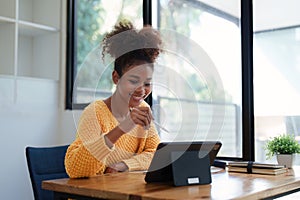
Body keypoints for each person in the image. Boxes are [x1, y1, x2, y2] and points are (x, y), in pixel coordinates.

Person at [65, 20, 162, 178]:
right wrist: (123, 127)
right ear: (116, 78)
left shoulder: (143, 109)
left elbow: (155, 153)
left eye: (147, 83)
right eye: (133, 81)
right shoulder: (95, 113)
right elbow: (76, 169)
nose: (141, 90)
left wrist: (124, 165)